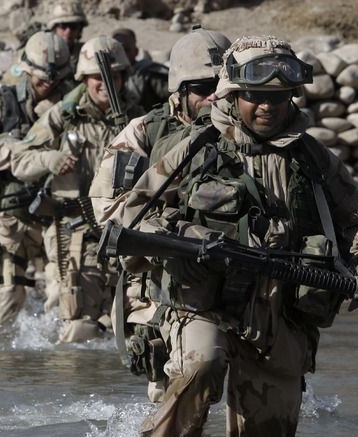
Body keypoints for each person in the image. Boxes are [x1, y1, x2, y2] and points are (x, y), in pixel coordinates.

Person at [106, 35, 358, 436]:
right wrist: (192, 237)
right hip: (200, 295)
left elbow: (357, 218)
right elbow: (130, 216)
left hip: (277, 306)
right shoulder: (195, 148)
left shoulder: (311, 157)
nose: (267, 106)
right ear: (233, 93)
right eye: (255, 95)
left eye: (278, 97)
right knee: (202, 364)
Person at [89, 26, 231, 403]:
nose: (214, 96)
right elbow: (110, 214)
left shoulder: (247, 137)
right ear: (179, 91)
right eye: (203, 88)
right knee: (175, 397)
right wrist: (178, 229)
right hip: (163, 289)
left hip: (237, 287)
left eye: (222, 85)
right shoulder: (143, 134)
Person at [8, 35, 144, 343]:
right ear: (84, 78)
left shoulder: (136, 120)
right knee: (76, 324)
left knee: (126, 326)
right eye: (97, 77)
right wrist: (50, 158)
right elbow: (20, 161)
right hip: (75, 233)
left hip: (124, 233)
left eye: (113, 76)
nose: (105, 84)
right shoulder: (63, 116)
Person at [0, 30, 73, 333]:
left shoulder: (69, 104)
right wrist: (22, 151)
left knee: (63, 295)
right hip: (9, 216)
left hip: (56, 215)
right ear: (27, 71)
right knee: (10, 293)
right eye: (41, 80)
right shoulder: (1, 101)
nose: (48, 85)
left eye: (56, 80)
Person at [112, 27, 170, 112]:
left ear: (136, 52)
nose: (122, 55)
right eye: (118, 51)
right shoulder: (104, 76)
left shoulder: (149, 74)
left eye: (126, 50)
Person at [47, 0, 88, 72]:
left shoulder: (85, 53)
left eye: (73, 26)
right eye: (63, 26)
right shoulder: (42, 52)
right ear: (54, 28)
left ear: (80, 29)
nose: (68, 31)